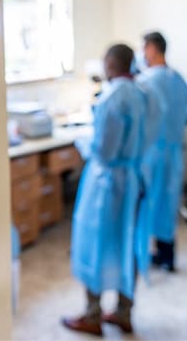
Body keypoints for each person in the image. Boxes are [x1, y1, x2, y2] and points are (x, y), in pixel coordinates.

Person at [62, 44, 151, 336]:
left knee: (94, 243)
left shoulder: (112, 98)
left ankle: (92, 314)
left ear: (110, 65)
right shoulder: (141, 93)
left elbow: (104, 149)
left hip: (108, 184)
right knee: (128, 244)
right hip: (133, 178)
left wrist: (83, 143)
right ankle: (124, 311)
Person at [137, 31, 187, 272]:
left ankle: (143, 255)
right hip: (175, 153)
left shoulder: (146, 82)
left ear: (151, 48)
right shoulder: (179, 79)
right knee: (167, 204)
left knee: (148, 205)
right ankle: (166, 256)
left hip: (152, 154)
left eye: (143, 48)